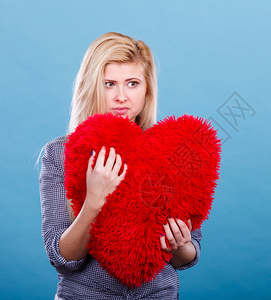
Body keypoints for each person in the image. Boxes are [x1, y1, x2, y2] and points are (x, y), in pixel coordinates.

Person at [39, 32, 202, 300]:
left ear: (147, 88)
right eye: (109, 84)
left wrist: (181, 245)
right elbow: (62, 258)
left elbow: (188, 255)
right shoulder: (59, 154)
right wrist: (93, 201)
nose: (121, 97)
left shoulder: (170, 151)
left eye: (133, 83)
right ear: (91, 86)